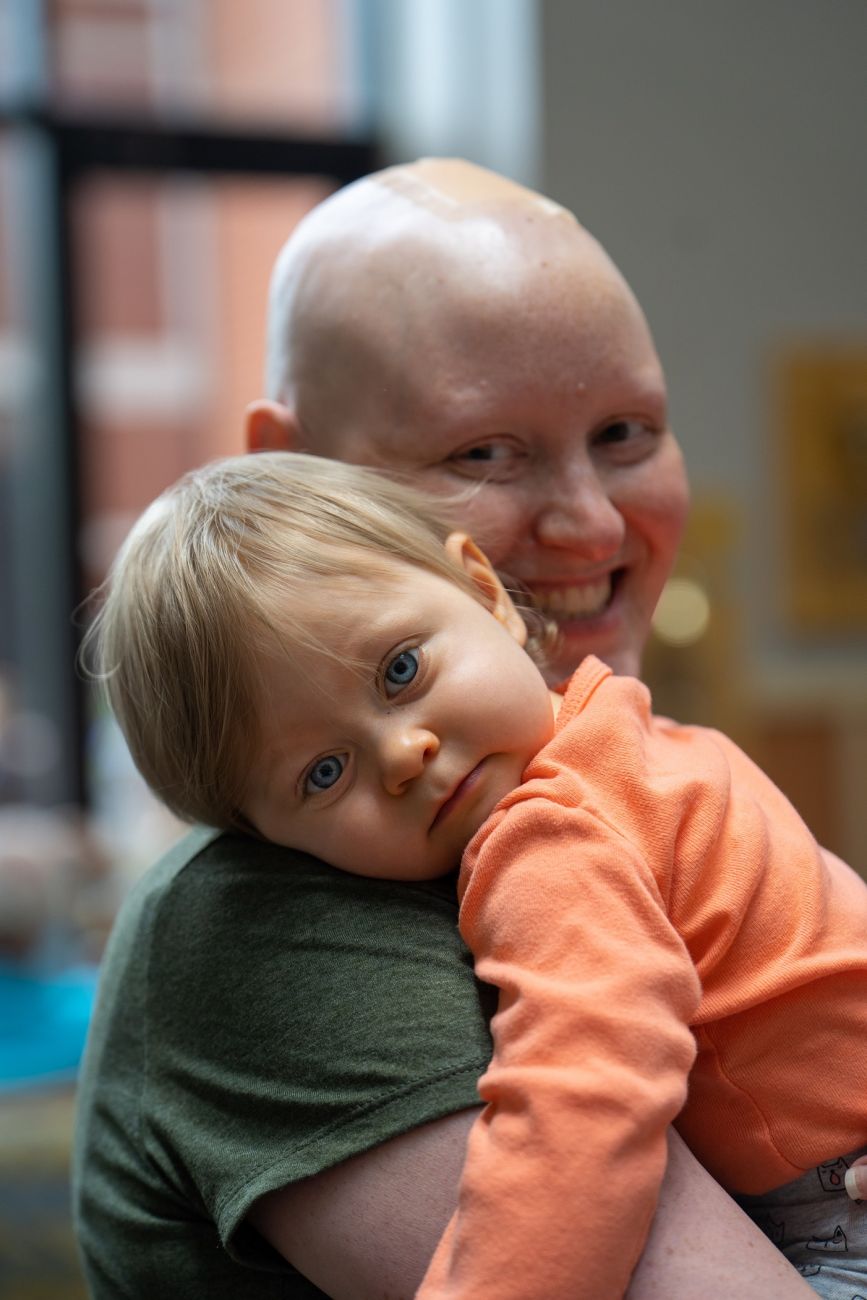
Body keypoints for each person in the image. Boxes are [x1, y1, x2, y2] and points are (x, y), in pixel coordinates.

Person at [72, 158, 816, 1300]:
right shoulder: (272, 917)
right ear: (295, 464)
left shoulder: (619, 764)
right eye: (482, 452)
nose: (592, 521)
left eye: (625, 431)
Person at [84, 450, 867, 1300]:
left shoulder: (547, 837)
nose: (401, 754)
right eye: (321, 773)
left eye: (399, 670)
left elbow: (582, 1105)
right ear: (265, 841)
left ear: (485, 593)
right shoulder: (645, 741)